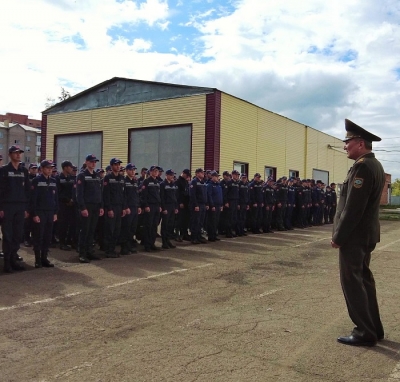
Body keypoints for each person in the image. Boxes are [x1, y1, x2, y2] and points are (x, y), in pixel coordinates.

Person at [331, 119, 385, 347]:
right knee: (364, 280)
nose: (345, 146)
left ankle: (364, 331)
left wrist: (338, 236)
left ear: (360, 143)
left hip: (355, 236)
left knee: (353, 282)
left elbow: (353, 208)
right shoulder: (374, 165)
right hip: (365, 234)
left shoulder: (363, 166)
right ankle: (374, 327)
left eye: (348, 141)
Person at [0, 146, 30, 272]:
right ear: (10, 155)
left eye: (20, 153)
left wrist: (26, 208)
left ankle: (13, 260)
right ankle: (7, 263)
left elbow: (27, 190)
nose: (18, 155)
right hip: (7, 206)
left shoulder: (24, 171)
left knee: (17, 235)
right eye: (15, 153)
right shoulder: (4, 170)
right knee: (8, 235)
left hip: (20, 206)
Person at [76, 154, 104, 263]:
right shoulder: (82, 175)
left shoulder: (97, 176)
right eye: (91, 161)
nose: (93, 163)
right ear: (86, 162)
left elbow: (99, 192)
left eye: (95, 162)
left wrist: (101, 206)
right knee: (85, 230)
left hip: (96, 206)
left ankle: (89, 251)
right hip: (87, 206)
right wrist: (82, 208)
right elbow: (79, 194)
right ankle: (82, 253)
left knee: (92, 230)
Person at [31, 160, 58, 268]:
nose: (50, 170)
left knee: (47, 236)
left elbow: (55, 198)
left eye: (51, 168)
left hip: (50, 212)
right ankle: (37, 260)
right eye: (47, 168)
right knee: (39, 236)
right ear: (41, 169)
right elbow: (33, 199)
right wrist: (35, 214)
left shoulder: (53, 181)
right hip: (40, 212)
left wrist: (56, 212)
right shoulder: (36, 180)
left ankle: (44, 258)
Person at [103, 158, 126, 257]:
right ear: (111, 166)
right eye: (116, 165)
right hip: (111, 207)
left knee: (117, 230)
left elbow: (123, 194)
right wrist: (109, 209)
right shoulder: (107, 178)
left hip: (119, 207)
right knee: (109, 230)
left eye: (119, 165)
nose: (118, 166)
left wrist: (124, 207)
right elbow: (106, 195)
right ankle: (108, 250)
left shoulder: (121, 178)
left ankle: (112, 249)